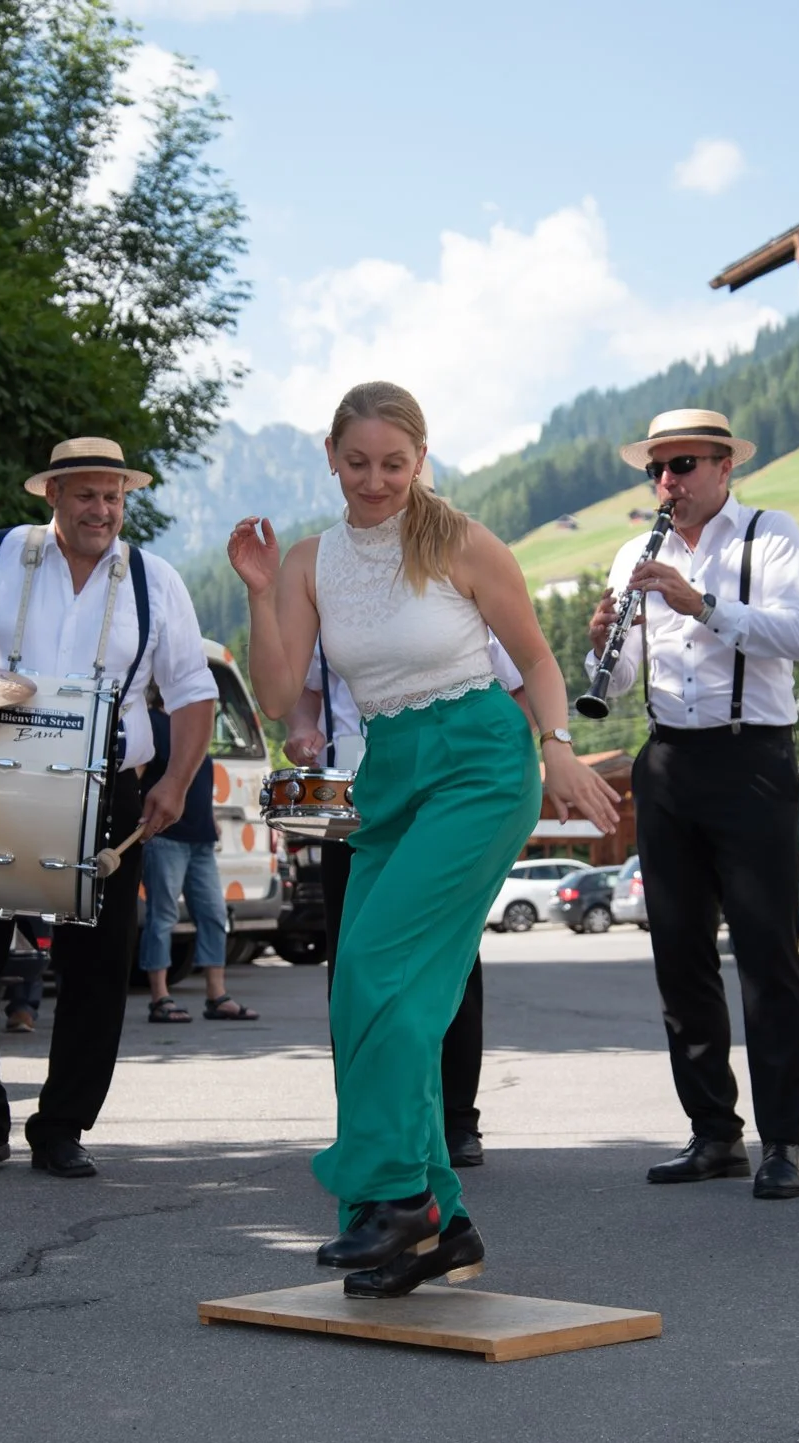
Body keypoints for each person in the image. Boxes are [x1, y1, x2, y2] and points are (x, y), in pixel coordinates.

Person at [230, 380, 619, 1297]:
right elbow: (281, 700)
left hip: (481, 763)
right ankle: (442, 1226)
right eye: (358, 463)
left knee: (382, 976)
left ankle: (395, 1197)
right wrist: (257, 592)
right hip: (390, 776)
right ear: (331, 456)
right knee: (358, 987)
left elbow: (535, 658)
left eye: (394, 465)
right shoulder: (309, 564)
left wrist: (555, 746)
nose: (375, 481)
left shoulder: (459, 542)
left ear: (421, 462)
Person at [0, 437, 218, 1180]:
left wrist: (174, 783)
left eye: (113, 496)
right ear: (52, 495)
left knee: (96, 965)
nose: (102, 510)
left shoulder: (155, 578)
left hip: (109, 789)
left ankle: (63, 1128)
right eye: (86, 495)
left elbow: (192, 692)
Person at [585, 409, 799, 1200]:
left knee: (766, 956)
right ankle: (713, 1131)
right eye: (656, 469)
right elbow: (615, 684)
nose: (666, 483)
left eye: (682, 465)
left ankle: (782, 1142)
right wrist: (601, 641)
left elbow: (798, 635)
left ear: (725, 467)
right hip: (669, 762)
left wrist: (700, 603)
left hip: (752, 757)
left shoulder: (770, 534)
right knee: (677, 956)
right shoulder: (632, 553)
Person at [284, 635, 527, 1166]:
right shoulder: (330, 590)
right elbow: (305, 692)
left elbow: (521, 685)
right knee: (350, 964)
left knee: (445, 956)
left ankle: (456, 1120)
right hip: (350, 803)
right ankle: (364, 1121)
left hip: (438, 795)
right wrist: (303, 727)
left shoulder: (448, 583)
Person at [141, 688, 257, 1023]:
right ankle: (160, 997)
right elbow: (140, 773)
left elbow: (196, 782)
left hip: (201, 837)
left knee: (214, 914)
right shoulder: (153, 723)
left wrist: (212, 819)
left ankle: (216, 995)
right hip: (166, 836)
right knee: (162, 916)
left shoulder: (191, 725)